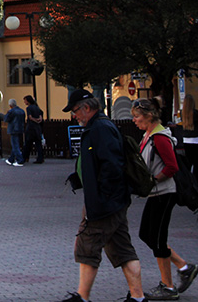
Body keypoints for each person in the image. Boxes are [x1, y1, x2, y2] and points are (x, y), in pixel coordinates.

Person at [56, 89, 145, 302]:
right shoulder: (99, 127)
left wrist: (101, 198)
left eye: (76, 111)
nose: (74, 116)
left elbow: (112, 166)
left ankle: (83, 297)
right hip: (113, 201)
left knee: (87, 245)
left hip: (105, 203)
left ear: (87, 108)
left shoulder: (100, 128)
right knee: (123, 250)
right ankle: (138, 297)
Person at [131, 98, 198, 299]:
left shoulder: (159, 137)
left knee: (157, 239)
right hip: (156, 193)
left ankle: (169, 286)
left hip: (164, 193)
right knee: (147, 234)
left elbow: (172, 167)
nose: (134, 120)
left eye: (137, 117)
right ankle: (184, 267)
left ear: (149, 116)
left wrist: (153, 180)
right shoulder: (148, 135)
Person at [180, 95, 198, 176]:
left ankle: (189, 180)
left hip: (186, 139)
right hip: (196, 139)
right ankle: (197, 180)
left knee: (189, 161)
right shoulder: (195, 113)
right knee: (197, 162)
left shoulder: (182, 114)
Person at [22, 94, 45, 164]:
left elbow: (30, 117)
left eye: (25, 101)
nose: (24, 102)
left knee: (28, 144)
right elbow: (41, 116)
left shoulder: (29, 108)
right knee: (38, 144)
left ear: (28, 101)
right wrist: (38, 120)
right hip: (37, 128)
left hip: (31, 128)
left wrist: (35, 120)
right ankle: (40, 158)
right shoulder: (37, 107)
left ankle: (24, 157)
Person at [4, 98, 25, 166]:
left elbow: (6, 119)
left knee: (15, 145)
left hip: (13, 129)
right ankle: (11, 159)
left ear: (10, 105)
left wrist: (7, 114)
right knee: (16, 144)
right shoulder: (22, 111)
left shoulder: (11, 111)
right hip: (20, 129)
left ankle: (20, 160)